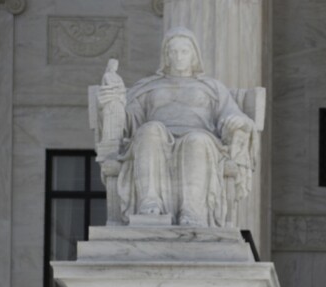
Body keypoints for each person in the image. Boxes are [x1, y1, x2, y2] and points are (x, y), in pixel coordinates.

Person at [97, 27, 255, 227]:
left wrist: (239, 122)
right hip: (156, 138)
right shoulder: (147, 87)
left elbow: (231, 115)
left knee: (196, 140)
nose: (179, 57)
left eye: (184, 51)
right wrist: (112, 100)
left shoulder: (212, 88)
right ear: (166, 56)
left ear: (194, 55)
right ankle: (150, 203)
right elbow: (128, 122)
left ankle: (192, 211)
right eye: (174, 52)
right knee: (149, 130)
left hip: (202, 139)